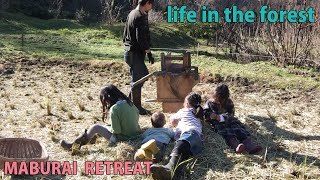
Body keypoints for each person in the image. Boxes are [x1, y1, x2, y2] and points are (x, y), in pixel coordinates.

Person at [60, 84, 141, 150]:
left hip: (123, 139)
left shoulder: (115, 109)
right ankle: (91, 138)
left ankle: (74, 145)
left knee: (95, 127)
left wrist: (110, 128)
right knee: (105, 126)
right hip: (135, 136)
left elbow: (117, 131)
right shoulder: (130, 104)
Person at [150, 92, 204, 180]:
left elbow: (173, 120)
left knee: (179, 146)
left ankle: (169, 168)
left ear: (187, 104)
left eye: (184, 102)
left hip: (190, 134)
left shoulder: (184, 111)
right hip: (197, 142)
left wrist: (175, 123)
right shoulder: (198, 113)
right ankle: (175, 173)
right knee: (182, 154)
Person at [204, 84, 262, 154]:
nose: (216, 102)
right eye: (215, 99)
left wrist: (222, 117)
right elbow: (206, 113)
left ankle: (249, 145)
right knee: (226, 132)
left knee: (237, 127)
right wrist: (211, 116)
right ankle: (236, 146)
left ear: (224, 99)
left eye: (219, 101)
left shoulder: (228, 102)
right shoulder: (209, 103)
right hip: (217, 123)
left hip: (229, 120)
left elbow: (231, 113)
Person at [123, 0, 155, 115]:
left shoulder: (132, 13)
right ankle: (136, 107)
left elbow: (125, 33)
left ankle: (128, 102)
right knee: (139, 79)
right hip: (134, 53)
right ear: (147, 3)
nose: (151, 7)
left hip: (129, 52)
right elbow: (140, 38)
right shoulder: (140, 16)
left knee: (140, 78)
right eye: (151, 4)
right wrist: (149, 52)